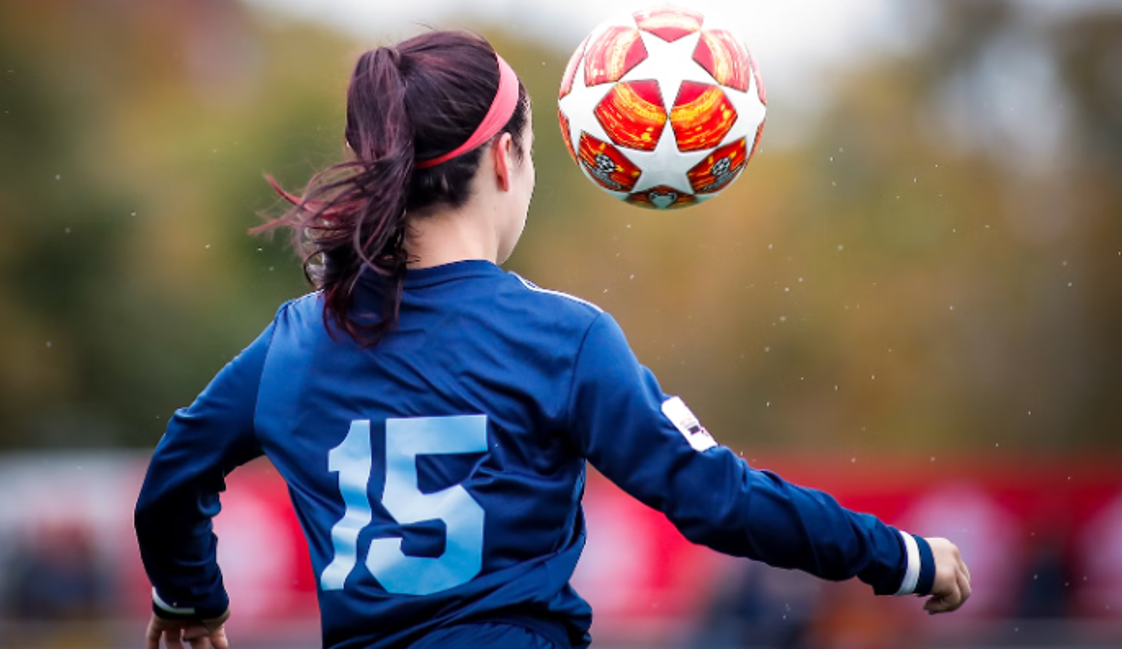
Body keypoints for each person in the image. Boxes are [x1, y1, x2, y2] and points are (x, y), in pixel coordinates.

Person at [134, 30, 971, 649]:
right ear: (505, 160)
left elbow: (173, 477)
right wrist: (896, 554)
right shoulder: (560, 338)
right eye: (533, 152)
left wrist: (190, 600)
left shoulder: (295, 341)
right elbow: (718, 497)